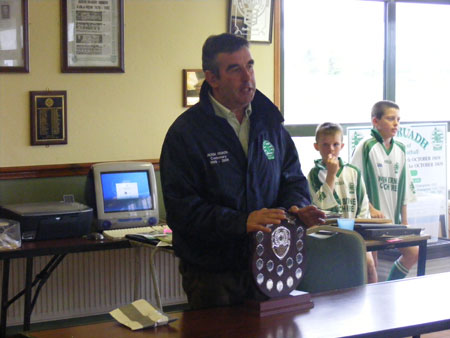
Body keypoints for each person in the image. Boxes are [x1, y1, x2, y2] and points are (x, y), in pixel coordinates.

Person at [160, 33, 325, 309]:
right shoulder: (187, 133)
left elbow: (292, 179)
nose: (247, 78)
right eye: (235, 69)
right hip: (213, 273)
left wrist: (296, 208)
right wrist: (241, 222)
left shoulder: (269, 122)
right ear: (212, 78)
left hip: (273, 265)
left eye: (250, 65)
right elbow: (182, 211)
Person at [351, 100, 418, 280]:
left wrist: (405, 222)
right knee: (372, 267)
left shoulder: (401, 149)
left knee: (413, 252)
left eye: (398, 119)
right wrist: (371, 209)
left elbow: (404, 188)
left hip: (393, 221)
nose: (395, 123)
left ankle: (390, 285)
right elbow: (354, 183)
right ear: (375, 121)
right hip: (371, 222)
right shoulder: (366, 146)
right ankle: (372, 303)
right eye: (390, 119)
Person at [307, 122, 377, 283]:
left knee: (369, 266)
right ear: (316, 146)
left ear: (342, 145)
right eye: (325, 145)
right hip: (327, 235)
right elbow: (321, 207)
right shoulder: (314, 174)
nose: (331, 149)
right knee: (338, 273)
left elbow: (363, 203)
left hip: (354, 232)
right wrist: (331, 175)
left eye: (335, 144)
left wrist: (358, 228)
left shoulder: (353, 172)